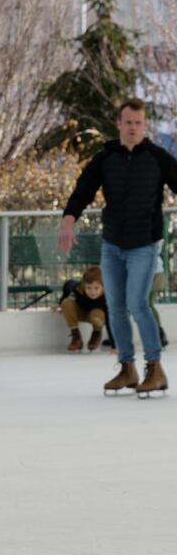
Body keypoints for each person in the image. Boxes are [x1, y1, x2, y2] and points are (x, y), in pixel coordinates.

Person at [58, 98, 177, 398]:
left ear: (145, 125)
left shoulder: (158, 157)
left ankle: (154, 368)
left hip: (145, 245)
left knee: (138, 304)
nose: (133, 128)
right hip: (113, 244)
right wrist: (68, 221)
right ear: (119, 124)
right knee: (116, 308)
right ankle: (127, 368)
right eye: (128, 122)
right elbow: (83, 190)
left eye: (139, 123)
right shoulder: (105, 158)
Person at [61, 267, 109, 353]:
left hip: (97, 316)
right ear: (84, 284)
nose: (92, 292)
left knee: (97, 314)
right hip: (82, 312)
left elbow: (110, 321)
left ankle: (96, 333)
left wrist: (114, 345)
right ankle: (76, 337)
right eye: (89, 288)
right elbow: (68, 285)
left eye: (96, 288)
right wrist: (60, 302)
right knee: (66, 302)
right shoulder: (78, 289)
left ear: (103, 286)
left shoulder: (108, 296)